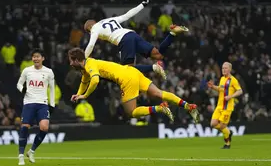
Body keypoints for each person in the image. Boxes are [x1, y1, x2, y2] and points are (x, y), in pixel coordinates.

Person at [68, 48, 199, 123]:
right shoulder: (86, 66)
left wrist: (85, 95)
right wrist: (79, 94)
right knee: (158, 93)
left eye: (70, 61)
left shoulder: (90, 65)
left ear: (76, 60)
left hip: (126, 79)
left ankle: (160, 109)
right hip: (132, 71)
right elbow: (84, 81)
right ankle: (188, 106)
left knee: (131, 112)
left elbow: (95, 80)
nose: (70, 64)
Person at [83, 0, 189, 80]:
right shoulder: (108, 20)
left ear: (89, 28)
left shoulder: (94, 28)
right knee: (158, 54)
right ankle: (172, 33)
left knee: (128, 69)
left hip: (124, 40)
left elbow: (91, 45)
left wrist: (85, 59)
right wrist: (142, 5)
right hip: (132, 34)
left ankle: (154, 68)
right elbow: (127, 15)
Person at [16, 49, 55, 165]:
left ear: (43, 58)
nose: (35, 59)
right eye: (34, 57)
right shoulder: (27, 71)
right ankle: (21, 156)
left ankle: (31, 151)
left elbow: (52, 89)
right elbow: (18, 84)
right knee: (25, 127)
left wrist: (52, 105)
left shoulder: (49, 72)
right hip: (29, 102)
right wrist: (22, 89)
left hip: (42, 103)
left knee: (44, 128)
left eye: (38, 57)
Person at [207, 62, 243, 149]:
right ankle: (228, 132)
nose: (224, 69)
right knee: (213, 124)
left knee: (222, 126)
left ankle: (227, 144)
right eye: (223, 68)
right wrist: (213, 87)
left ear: (230, 69)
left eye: (226, 68)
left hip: (227, 107)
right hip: (219, 106)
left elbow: (240, 91)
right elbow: (220, 89)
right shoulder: (222, 78)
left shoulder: (233, 80)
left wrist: (231, 96)